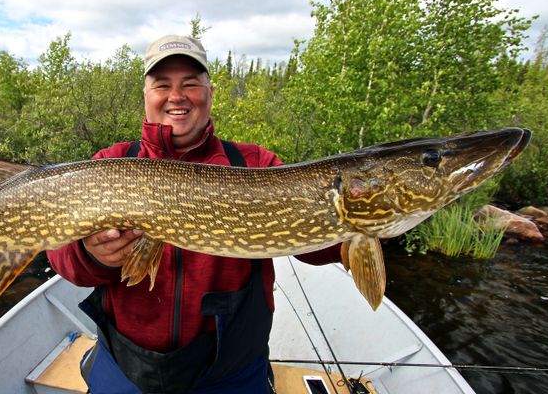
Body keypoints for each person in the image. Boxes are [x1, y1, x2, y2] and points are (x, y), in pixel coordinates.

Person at [48, 34, 341, 394]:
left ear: (209, 92)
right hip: (126, 367)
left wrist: (370, 225)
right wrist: (92, 255)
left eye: (190, 83)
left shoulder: (255, 165)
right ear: (146, 95)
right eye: (162, 85)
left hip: (231, 372)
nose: (177, 96)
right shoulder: (112, 162)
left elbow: (312, 246)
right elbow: (62, 256)